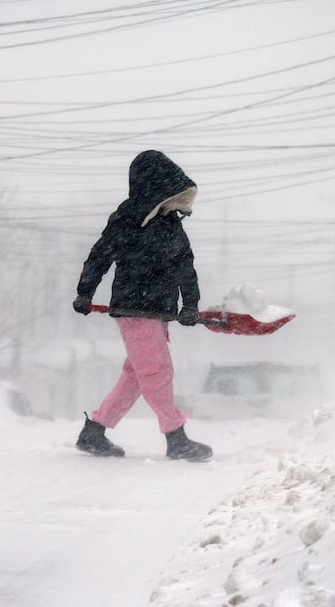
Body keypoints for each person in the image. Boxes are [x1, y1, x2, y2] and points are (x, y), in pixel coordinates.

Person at [72, 150, 213, 462]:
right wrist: (85, 292)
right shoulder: (128, 218)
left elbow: (185, 267)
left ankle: (94, 432)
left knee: (137, 375)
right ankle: (176, 438)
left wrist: (190, 304)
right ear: (155, 188)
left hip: (158, 311)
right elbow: (100, 255)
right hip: (134, 309)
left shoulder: (171, 225)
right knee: (157, 370)